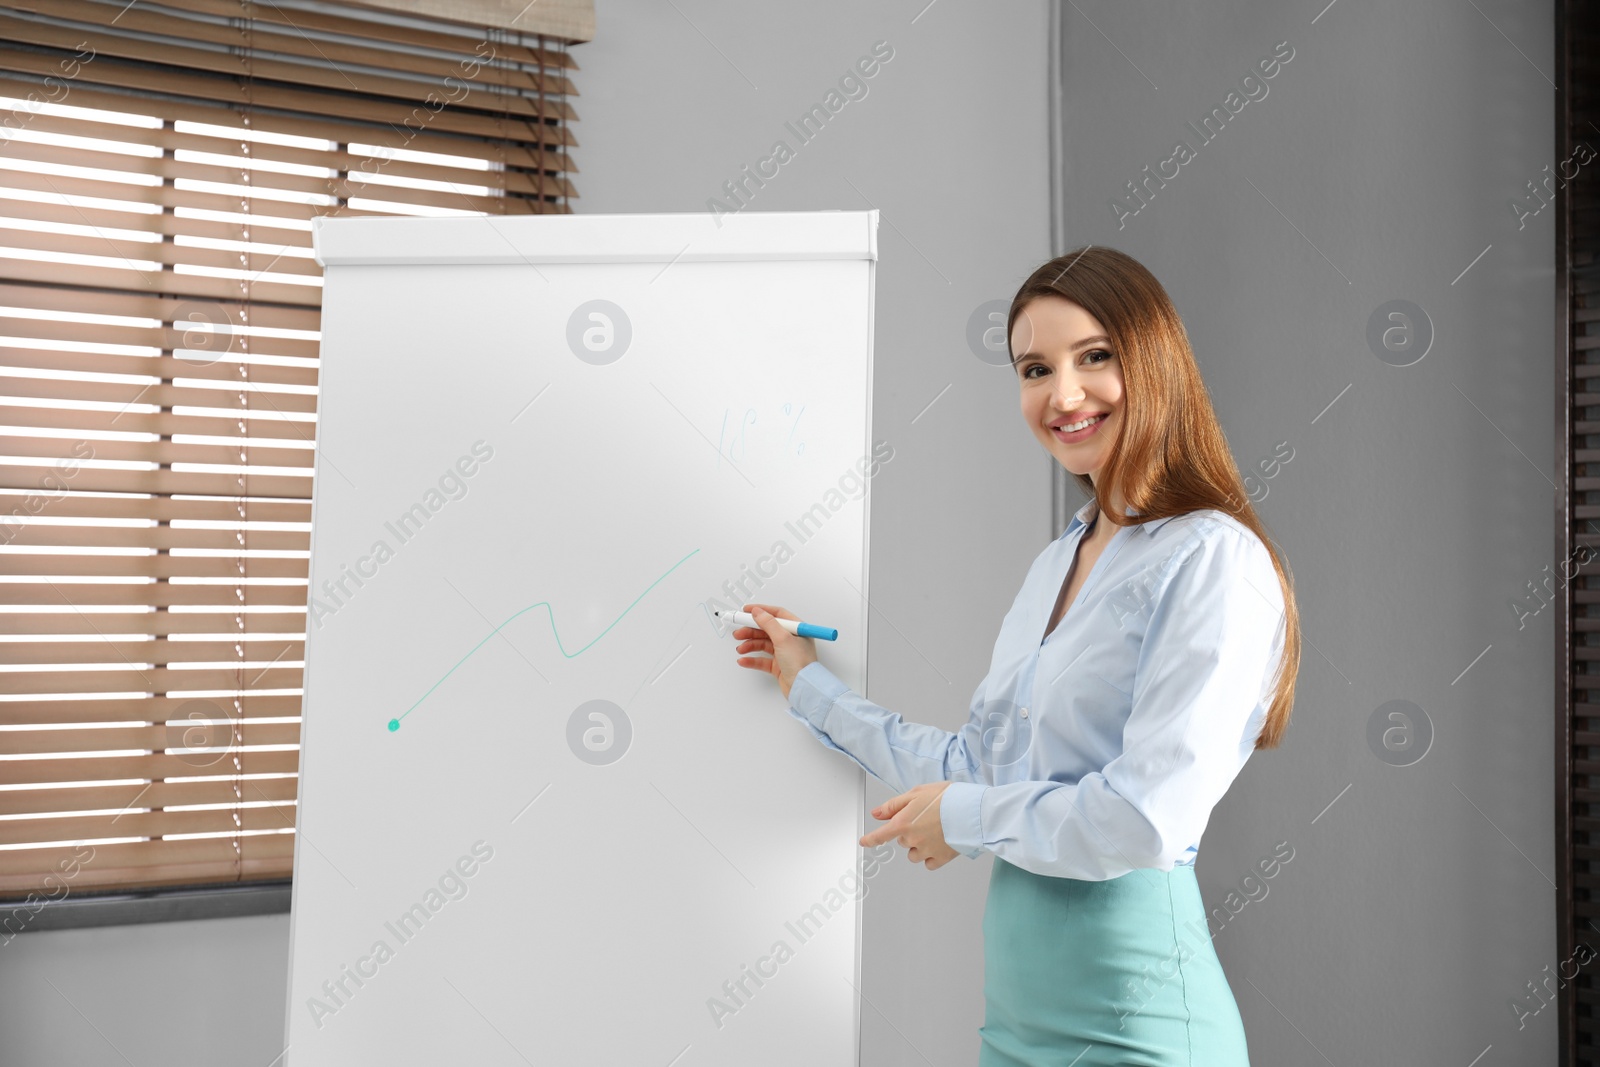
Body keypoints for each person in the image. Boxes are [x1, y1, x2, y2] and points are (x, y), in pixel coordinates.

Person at [729, 246, 1302, 1067]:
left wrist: (960, 819)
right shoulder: (1056, 563)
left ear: (1155, 360)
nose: (1062, 394)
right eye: (1035, 368)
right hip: (1014, 1026)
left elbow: (1144, 819)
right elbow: (981, 763)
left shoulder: (1211, 556)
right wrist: (807, 685)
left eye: (1094, 356)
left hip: (1136, 1027)